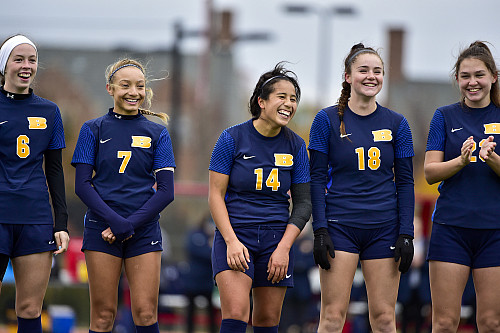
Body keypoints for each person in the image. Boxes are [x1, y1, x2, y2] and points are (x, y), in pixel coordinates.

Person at [308, 43, 415, 333]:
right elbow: (315, 178)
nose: (371, 76)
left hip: (384, 228)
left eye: (377, 71)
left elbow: (406, 182)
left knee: (383, 318)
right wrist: (319, 229)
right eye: (363, 70)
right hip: (340, 227)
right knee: (332, 317)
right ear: (348, 77)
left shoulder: (397, 123)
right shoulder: (325, 120)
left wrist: (406, 232)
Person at [72, 58, 175, 333]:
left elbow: (166, 191)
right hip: (101, 228)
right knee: (104, 316)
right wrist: (115, 222)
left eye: (140, 86)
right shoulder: (91, 129)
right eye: (125, 85)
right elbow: (82, 185)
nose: (134, 92)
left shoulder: (158, 133)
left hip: (143, 231)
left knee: (144, 313)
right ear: (110, 88)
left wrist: (129, 224)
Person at [208, 62, 312, 333]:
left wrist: (284, 248)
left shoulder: (297, 146)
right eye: (282, 96)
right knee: (236, 314)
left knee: (267, 320)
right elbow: (215, 196)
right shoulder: (231, 138)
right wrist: (231, 241)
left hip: (275, 240)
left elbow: (303, 203)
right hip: (236, 235)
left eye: (293, 99)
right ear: (261, 102)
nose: (289, 104)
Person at [424, 41, 500, 332]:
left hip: (494, 232)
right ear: (457, 79)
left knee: (491, 323)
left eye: (479, 75)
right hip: (451, 229)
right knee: (444, 323)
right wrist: (461, 161)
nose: (472, 82)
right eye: (465, 76)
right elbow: (430, 172)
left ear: (493, 76)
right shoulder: (444, 116)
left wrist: (492, 158)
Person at [0, 34, 69, 333]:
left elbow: (55, 170)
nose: (26, 66)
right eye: (18, 59)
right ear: (4, 66)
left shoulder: (50, 111)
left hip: (35, 218)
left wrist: (61, 222)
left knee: (29, 308)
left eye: (32, 59)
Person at [184, 215, 216, 333]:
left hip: (206, 281)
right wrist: (208, 248)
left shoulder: (214, 237)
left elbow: (214, 255)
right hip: (192, 281)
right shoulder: (195, 234)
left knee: (211, 312)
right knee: (190, 311)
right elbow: (194, 250)